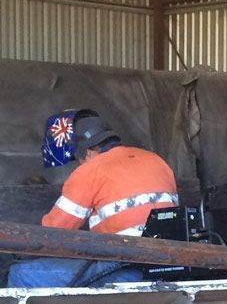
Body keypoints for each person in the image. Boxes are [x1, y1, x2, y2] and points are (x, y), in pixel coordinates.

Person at [7, 108, 178, 288]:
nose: (80, 164)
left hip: (123, 269)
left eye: (79, 159)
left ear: (87, 152)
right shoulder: (157, 161)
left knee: (21, 274)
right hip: (169, 264)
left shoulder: (90, 170)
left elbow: (53, 232)